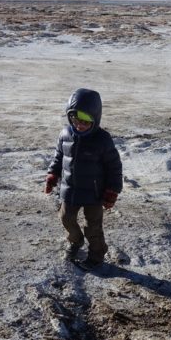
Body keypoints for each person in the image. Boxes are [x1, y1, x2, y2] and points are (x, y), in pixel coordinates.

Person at [44, 87, 123, 269]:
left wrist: (112, 191)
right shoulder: (65, 134)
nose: (79, 125)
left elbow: (114, 167)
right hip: (70, 188)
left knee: (92, 227)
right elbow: (58, 157)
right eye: (75, 119)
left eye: (85, 121)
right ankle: (75, 241)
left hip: (94, 193)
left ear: (95, 119)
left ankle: (96, 255)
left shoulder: (102, 139)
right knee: (65, 218)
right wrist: (52, 175)